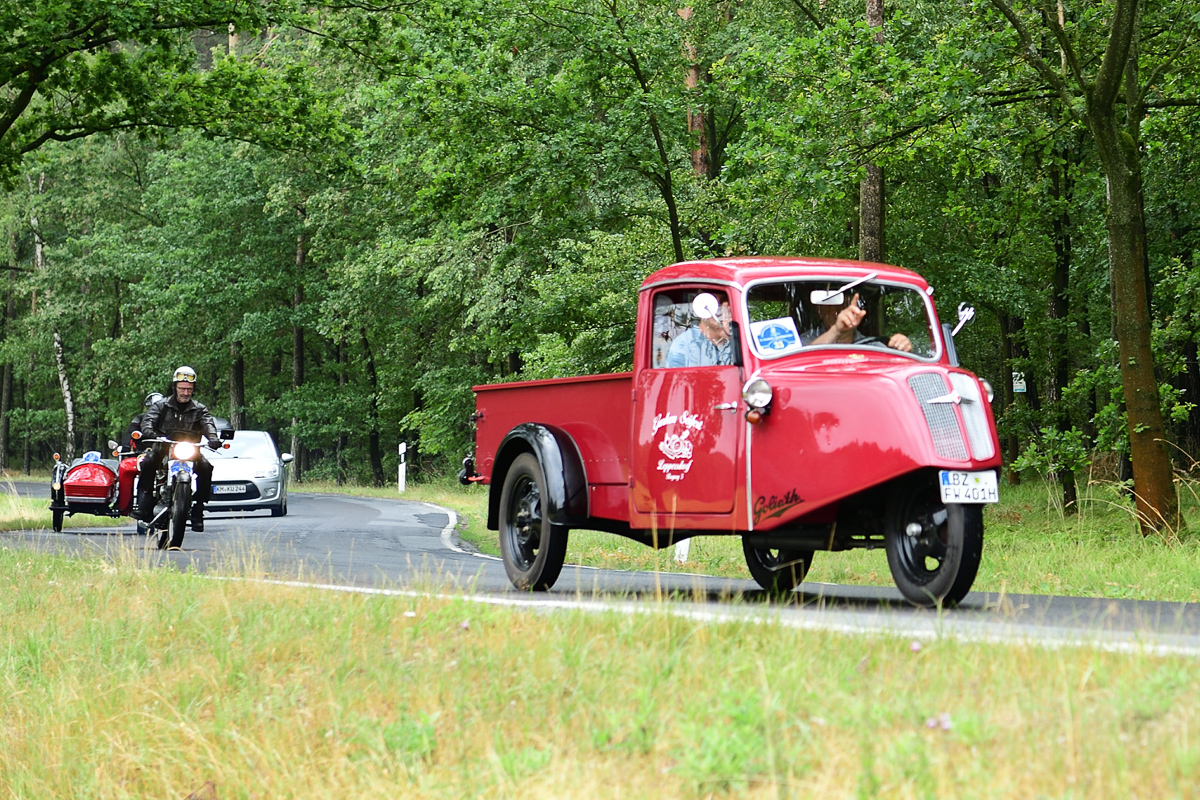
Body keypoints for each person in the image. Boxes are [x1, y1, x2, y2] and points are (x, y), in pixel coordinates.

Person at [136, 366, 221, 534]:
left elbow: (208, 424)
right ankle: (145, 501)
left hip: (190, 449)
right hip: (164, 447)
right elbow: (148, 420)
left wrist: (213, 438)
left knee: (206, 467)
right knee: (149, 461)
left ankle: (198, 507)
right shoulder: (161, 405)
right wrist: (149, 431)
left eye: (189, 389)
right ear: (175, 387)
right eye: (182, 388)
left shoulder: (199, 409)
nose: (185, 392)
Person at [805, 292, 913, 352]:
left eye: (844, 305)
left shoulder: (872, 346)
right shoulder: (806, 340)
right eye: (830, 306)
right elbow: (798, 361)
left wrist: (902, 348)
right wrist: (836, 330)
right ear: (820, 312)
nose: (838, 311)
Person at [667, 296, 734, 367]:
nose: (724, 309)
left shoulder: (738, 339)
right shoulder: (683, 345)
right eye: (716, 303)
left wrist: (732, 336)